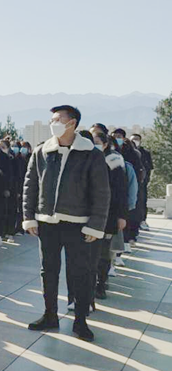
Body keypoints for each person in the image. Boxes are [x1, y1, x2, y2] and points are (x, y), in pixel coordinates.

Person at [24, 105, 110, 342]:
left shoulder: (91, 154)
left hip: (78, 224)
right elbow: (30, 186)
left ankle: (80, 321)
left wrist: (96, 225)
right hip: (47, 223)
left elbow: (102, 193)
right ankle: (50, 315)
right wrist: (29, 217)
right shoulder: (42, 151)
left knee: (80, 273)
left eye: (57, 120)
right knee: (48, 271)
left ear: (72, 123)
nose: (53, 124)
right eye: (52, 120)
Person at [88, 130, 127, 306]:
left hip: (108, 214)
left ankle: (101, 283)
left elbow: (121, 190)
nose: (94, 145)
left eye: (97, 142)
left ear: (105, 144)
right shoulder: (84, 159)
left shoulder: (114, 162)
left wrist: (121, 215)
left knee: (103, 253)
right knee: (88, 254)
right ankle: (88, 284)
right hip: (87, 214)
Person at [130, 133, 153, 230]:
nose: (135, 141)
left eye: (136, 139)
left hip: (142, 182)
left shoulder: (145, 153)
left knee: (142, 201)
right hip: (131, 181)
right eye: (133, 139)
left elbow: (149, 168)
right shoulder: (128, 152)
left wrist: (146, 179)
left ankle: (142, 220)